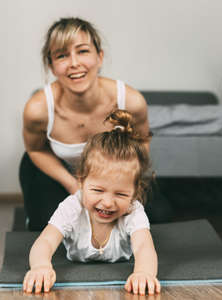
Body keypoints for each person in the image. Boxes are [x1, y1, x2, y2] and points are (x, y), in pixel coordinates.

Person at [20, 17, 173, 231]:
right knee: (48, 227)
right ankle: (35, 213)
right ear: (52, 66)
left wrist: (121, 187)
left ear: (99, 57)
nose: (74, 63)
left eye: (82, 51)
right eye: (62, 55)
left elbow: (143, 141)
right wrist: (74, 186)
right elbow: (35, 150)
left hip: (114, 175)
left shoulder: (131, 101)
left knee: (159, 218)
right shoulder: (37, 109)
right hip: (61, 172)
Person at [23, 110, 161, 295]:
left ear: (134, 193)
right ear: (80, 182)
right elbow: (46, 241)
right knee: (42, 221)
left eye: (120, 194)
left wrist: (144, 273)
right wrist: (40, 266)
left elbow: (144, 246)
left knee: (159, 212)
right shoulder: (73, 206)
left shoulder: (133, 209)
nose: (107, 203)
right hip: (67, 217)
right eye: (97, 190)